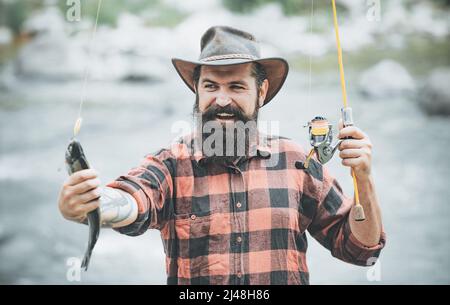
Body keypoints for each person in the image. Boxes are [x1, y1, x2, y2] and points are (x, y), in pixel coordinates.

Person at [58, 26, 386, 285]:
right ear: (197, 92)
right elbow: (133, 199)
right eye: (211, 86)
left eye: (237, 87)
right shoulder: (170, 165)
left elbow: (360, 251)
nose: (222, 100)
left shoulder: (298, 162)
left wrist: (364, 179)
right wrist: (94, 204)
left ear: (261, 92)